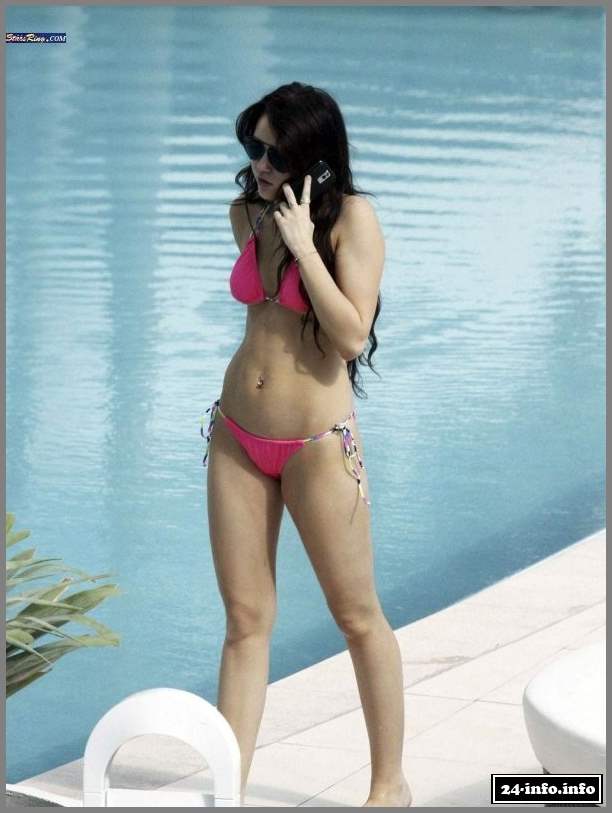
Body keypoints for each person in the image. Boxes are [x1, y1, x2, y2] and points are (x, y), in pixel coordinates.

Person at [200, 81, 412, 807]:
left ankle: (389, 785)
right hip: (236, 436)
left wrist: (303, 247)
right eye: (253, 147)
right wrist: (274, 228)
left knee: (357, 616)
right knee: (244, 623)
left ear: (315, 159)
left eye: (275, 153)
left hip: (318, 446)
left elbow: (350, 335)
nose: (259, 164)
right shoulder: (246, 212)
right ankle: (227, 793)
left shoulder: (354, 219)